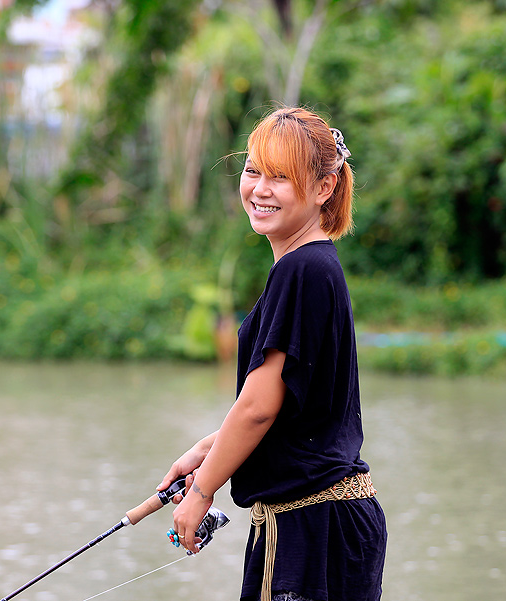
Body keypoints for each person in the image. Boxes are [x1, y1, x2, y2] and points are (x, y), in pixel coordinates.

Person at [158, 106, 386, 601]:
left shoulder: (301, 270)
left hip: (308, 527)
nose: (260, 189)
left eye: (280, 177)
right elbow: (294, 409)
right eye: (253, 170)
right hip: (330, 522)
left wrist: (201, 493)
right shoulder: (316, 267)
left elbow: (259, 408)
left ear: (324, 188)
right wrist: (207, 451)